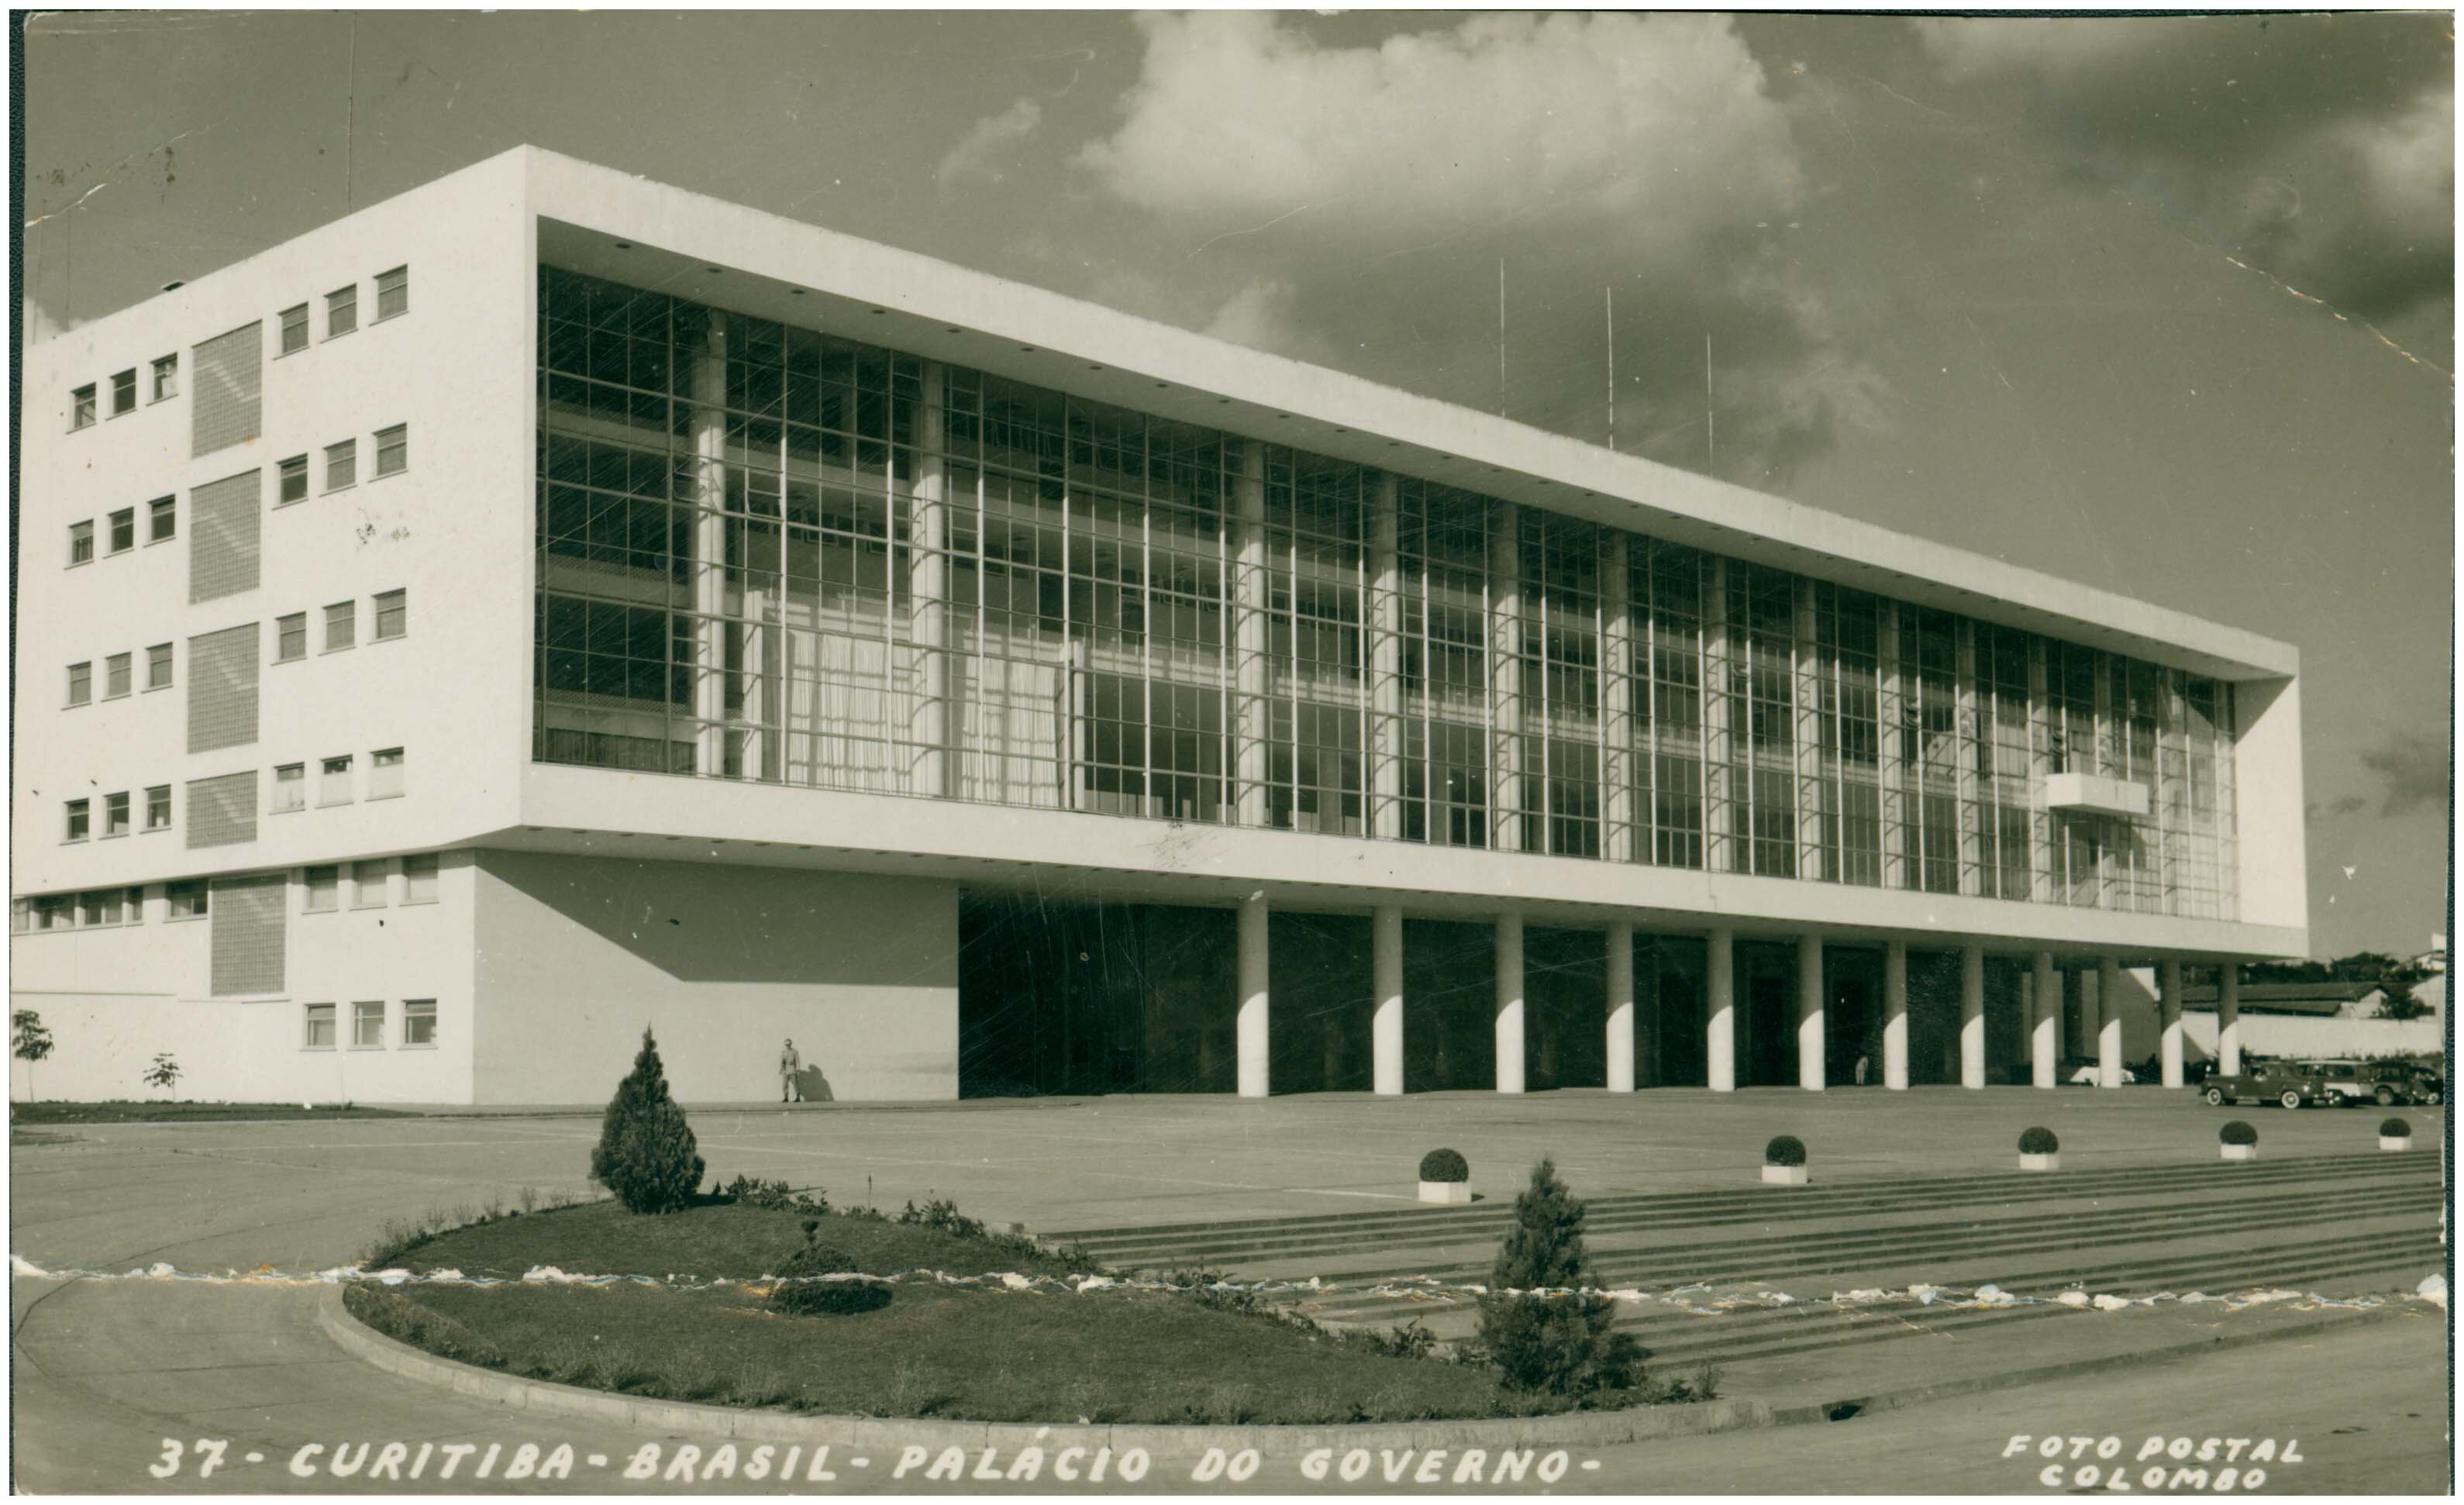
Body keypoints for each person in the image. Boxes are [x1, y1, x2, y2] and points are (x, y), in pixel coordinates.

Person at [779, 1038, 802, 1104]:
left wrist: (798, 1069)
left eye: (789, 1044)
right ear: (785, 1045)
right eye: (786, 1045)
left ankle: (798, 1097)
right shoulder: (783, 1052)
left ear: (791, 1044)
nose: (788, 1046)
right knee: (784, 1085)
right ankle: (786, 1098)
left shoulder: (794, 1052)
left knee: (795, 1084)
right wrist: (781, 1069)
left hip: (793, 1070)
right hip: (786, 1070)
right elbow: (782, 1061)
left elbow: (797, 1061)